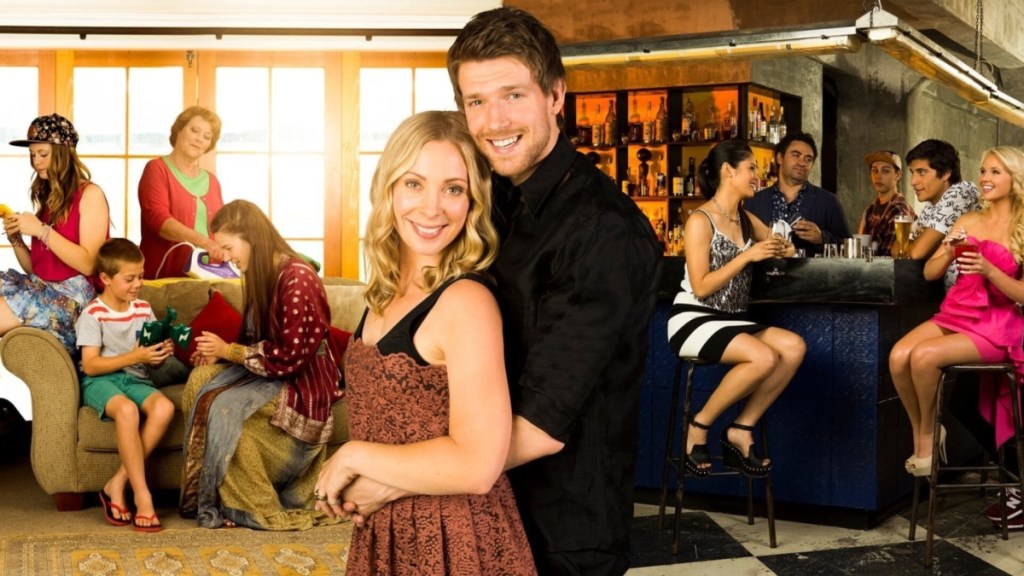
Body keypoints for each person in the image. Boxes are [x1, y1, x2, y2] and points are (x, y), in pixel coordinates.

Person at [338, 7, 663, 574]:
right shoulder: (485, 196)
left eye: (513, 95)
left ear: (555, 95)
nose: (493, 120)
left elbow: (541, 426)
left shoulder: (603, 231)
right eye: (476, 101)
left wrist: (387, 478)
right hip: (463, 514)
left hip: (559, 528)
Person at [314, 111, 536, 574]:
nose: (432, 208)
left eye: (453, 189)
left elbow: (478, 465)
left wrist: (353, 455)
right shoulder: (384, 293)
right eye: (414, 184)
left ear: (473, 201)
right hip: (387, 532)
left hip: (456, 537)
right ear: (389, 189)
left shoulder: (467, 302)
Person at [180, 199, 342, 530]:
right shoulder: (261, 274)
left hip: (301, 381)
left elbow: (289, 357)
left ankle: (251, 505)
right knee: (200, 379)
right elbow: (254, 340)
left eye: (228, 247)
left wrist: (229, 350)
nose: (225, 257)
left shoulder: (298, 278)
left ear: (252, 237)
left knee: (224, 408)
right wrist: (219, 355)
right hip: (270, 371)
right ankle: (209, 495)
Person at [668, 140, 805, 477]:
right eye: (751, 168)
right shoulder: (700, 220)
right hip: (694, 319)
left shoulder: (746, 219)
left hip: (731, 320)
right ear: (728, 171)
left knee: (793, 347)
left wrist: (782, 247)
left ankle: (741, 429)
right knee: (764, 357)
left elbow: (784, 247)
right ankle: (698, 426)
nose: (758, 176)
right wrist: (748, 256)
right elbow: (701, 286)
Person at [889, 146, 1024, 487]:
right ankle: (926, 433)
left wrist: (989, 270)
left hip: (998, 324)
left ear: (1015, 178)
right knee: (899, 356)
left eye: (995, 172)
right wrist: (948, 251)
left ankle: (926, 440)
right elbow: (930, 273)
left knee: (924, 357)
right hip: (957, 312)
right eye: (984, 171)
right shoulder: (969, 220)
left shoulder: (1022, 227)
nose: (985, 178)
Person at [74, 238, 176, 532]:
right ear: (106, 278)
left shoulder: (143, 308)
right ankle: (143, 496)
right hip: (100, 381)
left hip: (136, 377)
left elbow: (148, 356)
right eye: (130, 279)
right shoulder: (93, 313)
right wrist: (136, 356)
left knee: (164, 407)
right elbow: (91, 365)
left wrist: (159, 354)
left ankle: (117, 483)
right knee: (127, 411)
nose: (138, 284)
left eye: (141, 276)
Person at [1, 113, 110, 354]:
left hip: (71, 301)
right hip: (42, 288)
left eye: (43, 154)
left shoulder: (90, 195)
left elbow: (89, 264)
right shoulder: (49, 200)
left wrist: (41, 231)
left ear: (63, 153)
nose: (36, 162)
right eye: (33, 155)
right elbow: (36, 270)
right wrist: (16, 239)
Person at [138, 106, 226, 279]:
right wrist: (205, 243)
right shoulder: (156, 169)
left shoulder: (212, 181)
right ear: (179, 130)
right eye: (194, 130)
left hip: (207, 277)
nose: (199, 139)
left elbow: (221, 228)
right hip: (164, 277)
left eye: (207, 136)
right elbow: (159, 221)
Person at [744, 132, 850, 257]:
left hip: (810, 270)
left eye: (808, 159)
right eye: (796, 155)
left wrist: (822, 238)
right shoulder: (753, 202)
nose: (802, 163)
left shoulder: (828, 202)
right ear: (780, 158)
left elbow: (849, 248)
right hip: (764, 269)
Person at [903, 139, 980, 287]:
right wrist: (913, 245)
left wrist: (914, 244)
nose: (913, 181)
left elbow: (916, 252)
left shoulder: (961, 192)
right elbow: (897, 248)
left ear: (945, 173)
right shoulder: (932, 206)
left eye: (921, 172)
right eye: (912, 172)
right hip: (951, 295)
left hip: (973, 296)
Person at [858, 150, 915, 256]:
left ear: (898, 175)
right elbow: (859, 250)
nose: (878, 176)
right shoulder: (870, 210)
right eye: (874, 170)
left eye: (885, 171)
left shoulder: (899, 211)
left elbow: (890, 258)